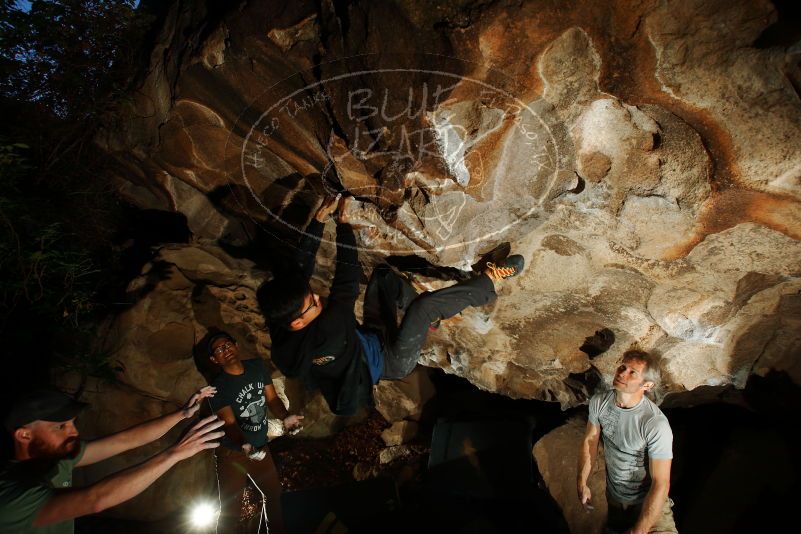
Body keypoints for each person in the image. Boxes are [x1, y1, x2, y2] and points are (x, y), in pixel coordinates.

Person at [257, 194, 525, 416]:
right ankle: (489, 282)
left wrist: (317, 221)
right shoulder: (331, 327)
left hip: (368, 338)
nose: (317, 297)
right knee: (423, 307)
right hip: (390, 361)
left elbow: (297, 272)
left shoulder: (281, 330)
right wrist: (343, 224)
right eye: (312, 302)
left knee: (383, 278)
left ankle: (428, 324)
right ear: (298, 322)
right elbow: (346, 279)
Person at [0, 386, 223, 533]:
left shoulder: (58, 458)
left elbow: (125, 441)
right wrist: (175, 453)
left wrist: (183, 414)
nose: (74, 432)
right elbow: (95, 499)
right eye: (61, 426)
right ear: (24, 435)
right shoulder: (11, 494)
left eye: (72, 423)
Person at [206, 331, 303, 534]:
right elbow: (230, 424)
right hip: (233, 453)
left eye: (228, 345)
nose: (226, 350)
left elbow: (272, 399)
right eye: (219, 350)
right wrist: (245, 444)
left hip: (259, 445)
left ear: (236, 345)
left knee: (274, 495)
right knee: (231, 513)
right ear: (214, 359)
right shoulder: (217, 388)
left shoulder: (257, 367)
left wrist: (285, 417)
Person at [577, 350, 677, 534]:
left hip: (648, 503)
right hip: (616, 499)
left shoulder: (655, 424)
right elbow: (590, 441)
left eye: (632, 372)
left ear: (647, 385)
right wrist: (582, 482)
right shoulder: (600, 402)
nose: (622, 373)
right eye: (622, 367)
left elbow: (661, 482)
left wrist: (638, 532)